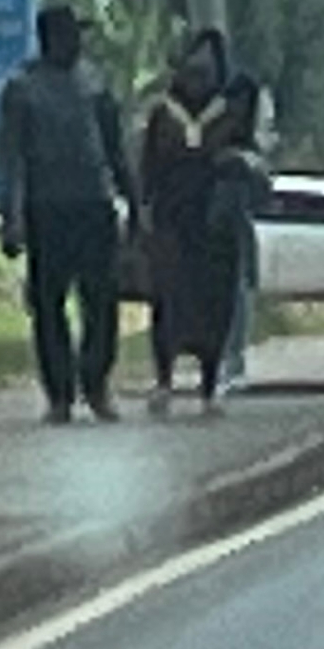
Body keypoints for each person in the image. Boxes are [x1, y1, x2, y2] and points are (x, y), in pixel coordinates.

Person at [0, 3, 135, 420]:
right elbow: (11, 158)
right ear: (50, 39)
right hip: (47, 208)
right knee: (48, 304)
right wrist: (12, 219)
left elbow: (115, 148)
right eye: (70, 35)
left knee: (102, 299)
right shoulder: (23, 88)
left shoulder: (94, 82)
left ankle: (96, 381)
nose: (77, 43)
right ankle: (59, 393)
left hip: (93, 204)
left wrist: (134, 198)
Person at [140, 31, 260, 413]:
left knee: (215, 303)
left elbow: (249, 161)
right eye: (193, 67)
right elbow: (148, 167)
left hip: (215, 224)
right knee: (169, 300)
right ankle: (164, 380)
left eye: (206, 68)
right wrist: (143, 209)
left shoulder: (233, 112)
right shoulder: (164, 114)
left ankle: (210, 385)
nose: (198, 76)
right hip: (173, 221)